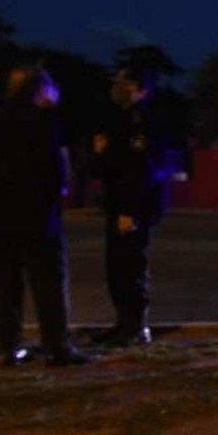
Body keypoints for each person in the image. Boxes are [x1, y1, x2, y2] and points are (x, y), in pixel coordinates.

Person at [0, 67, 94, 367]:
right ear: (41, 91)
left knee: (6, 283)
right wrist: (49, 194)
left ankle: (9, 346)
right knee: (49, 282)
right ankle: (58, 347)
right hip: (36, 215)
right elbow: (54, 169)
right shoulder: (42, 120)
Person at [91, 65, 172, 347]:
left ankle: (135, 327)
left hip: (134, 207)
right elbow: (111, 165)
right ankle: (123, 324)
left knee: (131, 266)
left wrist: (129, 211)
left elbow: (140, 171)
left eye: (124, 84)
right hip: (119, 204)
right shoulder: (122, 118)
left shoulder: (142, 120)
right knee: (117, 267)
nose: (117, 88)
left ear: (139, 89)